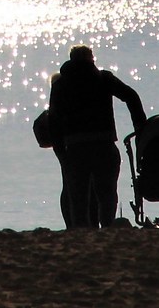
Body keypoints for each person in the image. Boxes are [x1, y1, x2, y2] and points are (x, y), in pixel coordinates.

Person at [46, 44, 147, 229]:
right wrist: (140, 127)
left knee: (78, 199)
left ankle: (81, 233)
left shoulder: (61, 84)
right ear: (91, 59)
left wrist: (60, 151)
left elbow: (54, 120)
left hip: (75, 148)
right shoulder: (103, 78)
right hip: (104, 144)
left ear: (71, 59)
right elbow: (131, 96)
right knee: (107, 195)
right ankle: (107, 230)